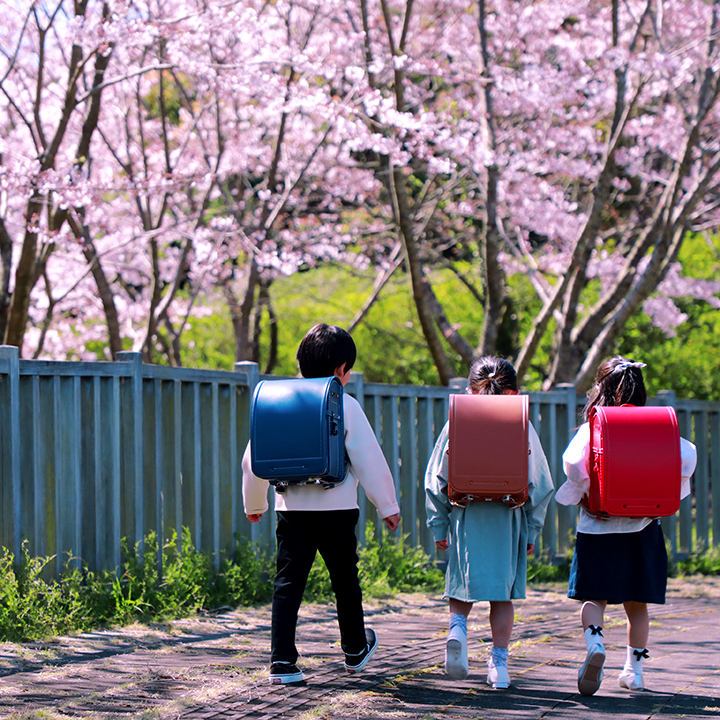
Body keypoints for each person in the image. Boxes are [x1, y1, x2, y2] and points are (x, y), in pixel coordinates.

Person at [242, 323, 401, 685]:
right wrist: (387, 505)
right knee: (345, 579)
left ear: (300, 362)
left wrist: (256, 502)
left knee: (288, 583)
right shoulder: (345, 405)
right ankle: (355, 650)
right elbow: (368, 459)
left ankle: (282, 662)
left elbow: (253, 459)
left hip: (291, 511)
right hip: (338, 509)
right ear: (342, 369)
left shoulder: (276, 402)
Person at [555, 356, 697, 696]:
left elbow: (573, 463)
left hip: (598, 528)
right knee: (637, 604)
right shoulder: (658, 424)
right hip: (643, 529)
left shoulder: (595, 426)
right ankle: (635, 670)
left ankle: (595, 645)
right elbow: (686, 456)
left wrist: (582, 492)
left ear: (600, 390)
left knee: (594, 598)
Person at [425, 357, 554, 689]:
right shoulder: (520, 423)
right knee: (502, 597)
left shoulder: (458, 421)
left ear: (469, 390)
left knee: (461, 589)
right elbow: (541, 483)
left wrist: (439, 525)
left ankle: (457, 631)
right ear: (515, 392)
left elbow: (435, 478)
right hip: (507, 519)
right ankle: (499, 664)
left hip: (465, 517)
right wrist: (532, 527)